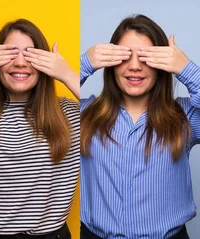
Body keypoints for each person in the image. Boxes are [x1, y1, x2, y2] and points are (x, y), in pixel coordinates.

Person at [80, 14, 199, 239]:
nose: (134, 66)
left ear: (161, 65)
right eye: (125, 56)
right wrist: (85, 63)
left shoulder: (185, 116)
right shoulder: (85, 114)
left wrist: (186, 69)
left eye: (146, 57)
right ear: (110, 62)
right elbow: (39, 108)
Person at [0, 18, 79, 239]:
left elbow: (112, 110)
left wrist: (67, 74)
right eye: (10, 53)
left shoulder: (70, 114)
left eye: (31, 54)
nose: (20, 63)